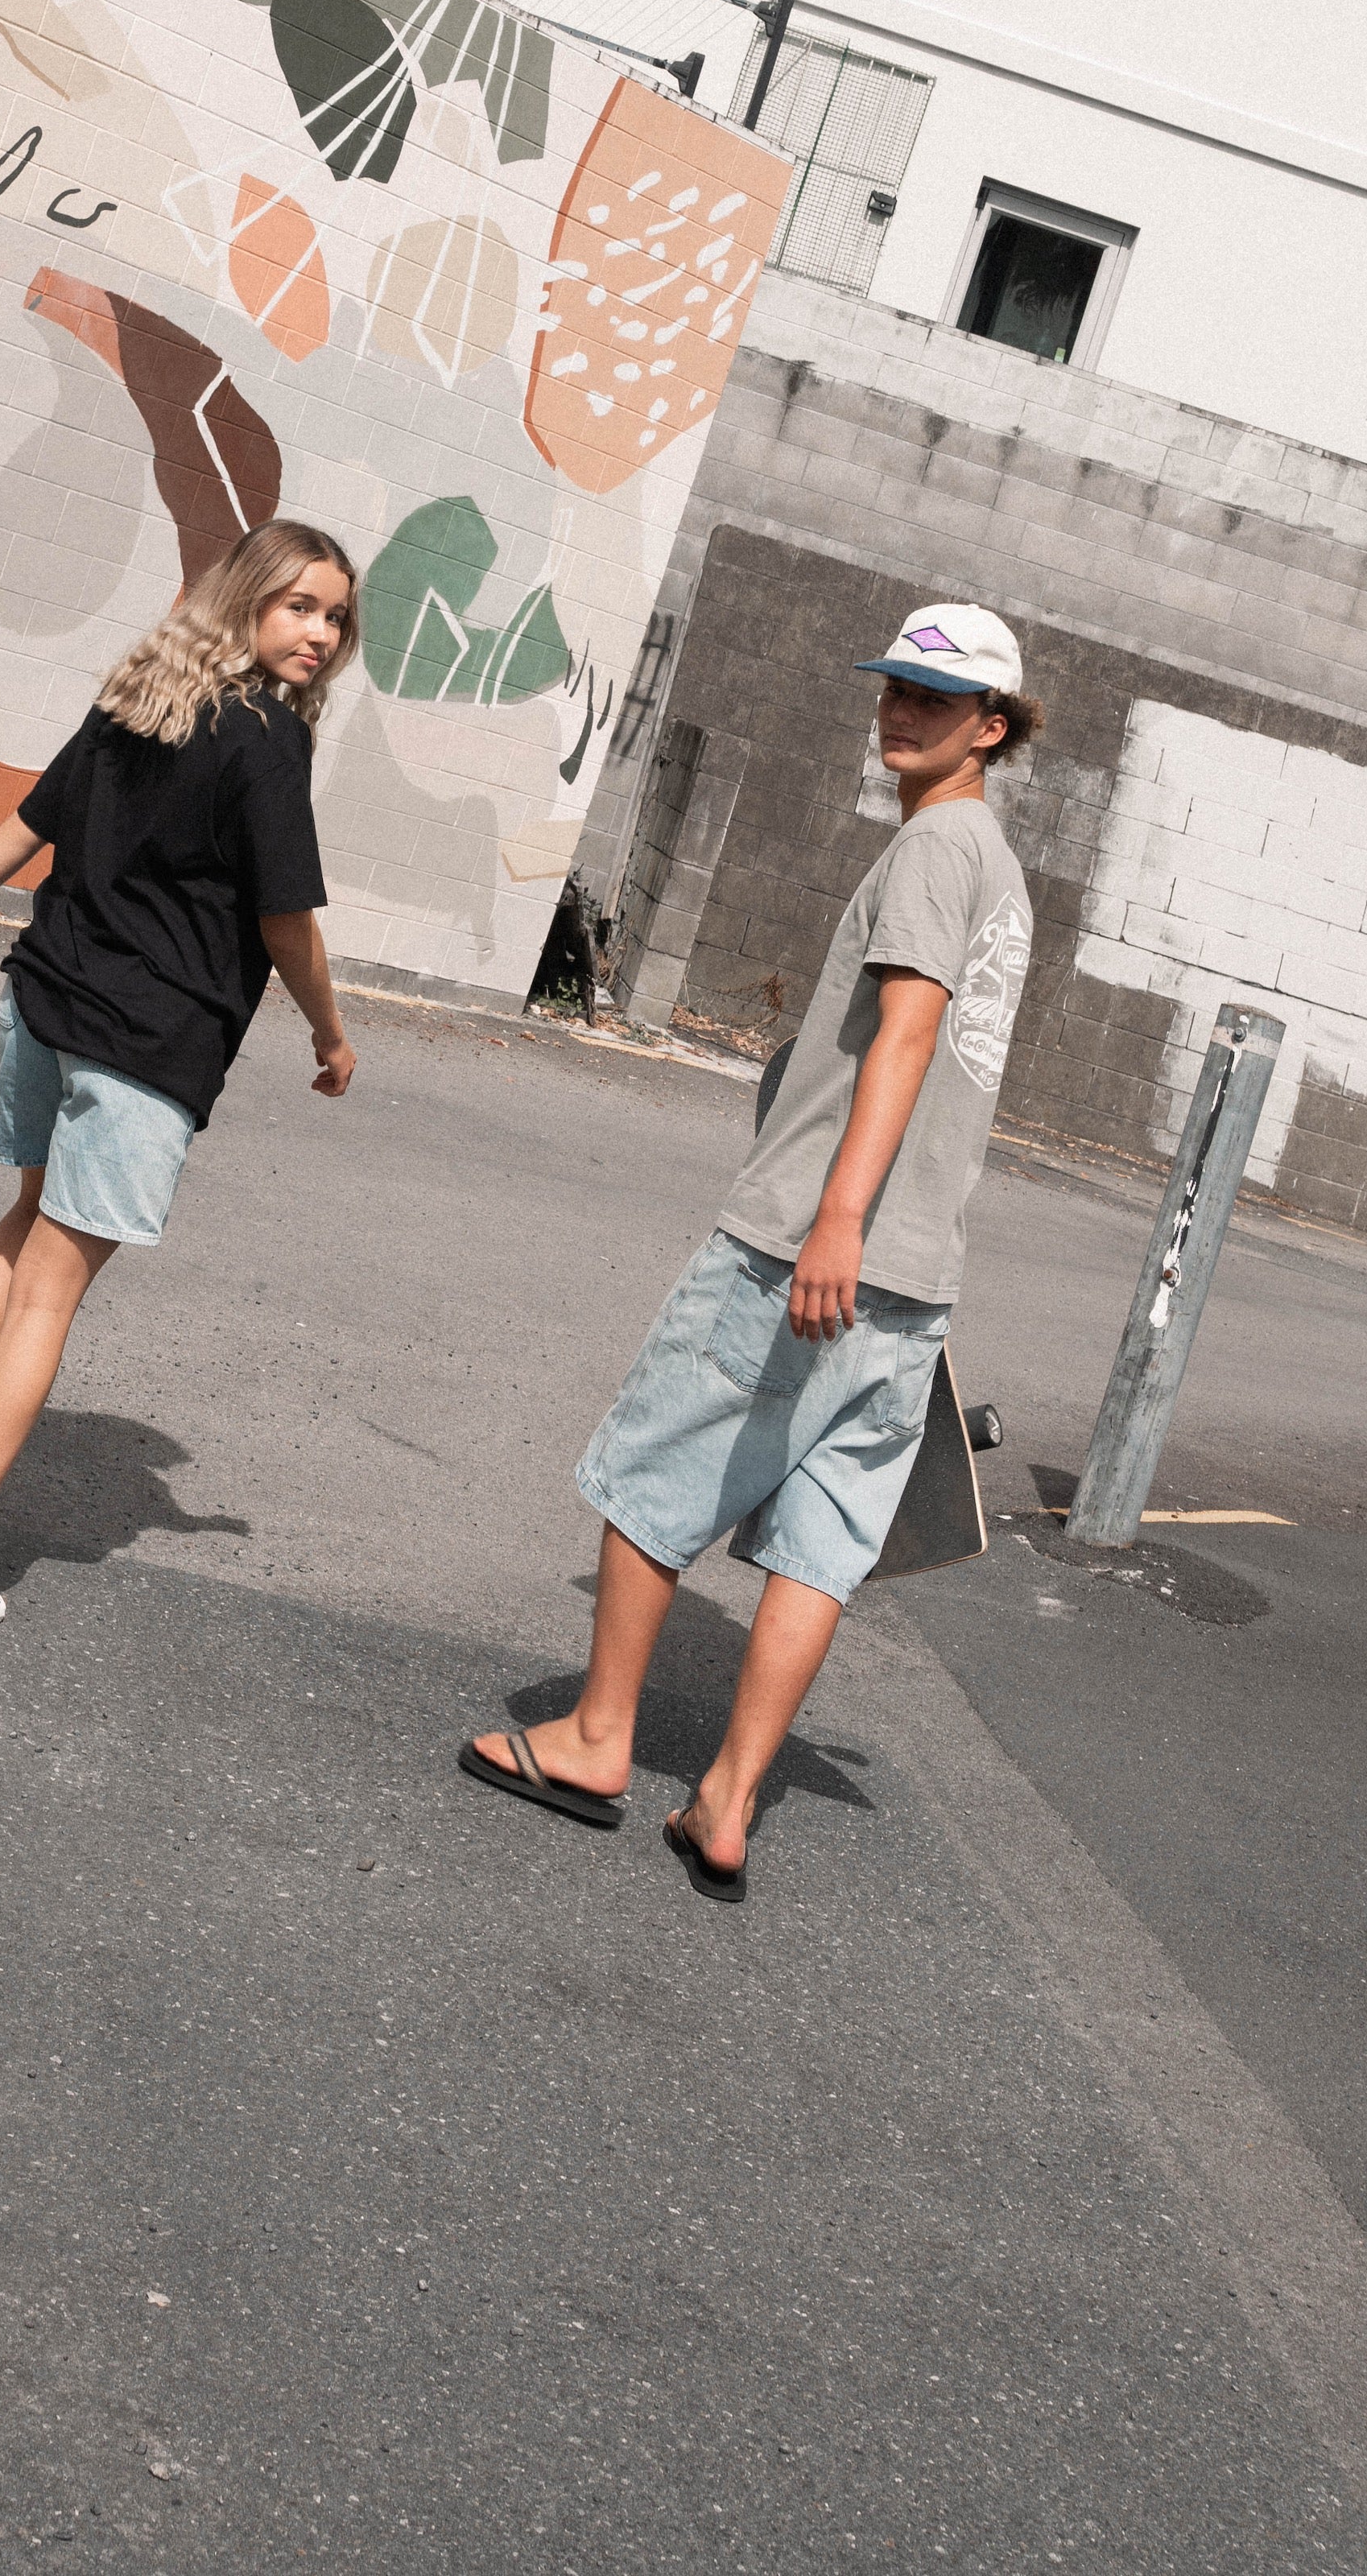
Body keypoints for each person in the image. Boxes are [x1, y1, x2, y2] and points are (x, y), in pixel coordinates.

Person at [465, 602, 1039, 1900]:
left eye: (935, 700)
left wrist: (834, 1213)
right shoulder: (998, 873)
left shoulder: (935, 850)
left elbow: (906, 1036)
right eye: (893, 688)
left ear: (991, 729)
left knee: (652, 1469)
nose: (902, 712)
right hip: (916, 1278)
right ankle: (726, 1800)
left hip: (811, 1246)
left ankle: (597, 1739)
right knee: (821, 1538)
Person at [0, 520, 361, 1633]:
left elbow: (32, 818)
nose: (321, 635)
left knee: (26, 1220)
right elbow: (286, 917)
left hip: (47, 1000)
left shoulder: (143, 694)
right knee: (51, 1292)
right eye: (299, 607)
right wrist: (330, 1034)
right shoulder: (267, 741)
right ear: (246, 600)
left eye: (336, 617)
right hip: (147, 1042)